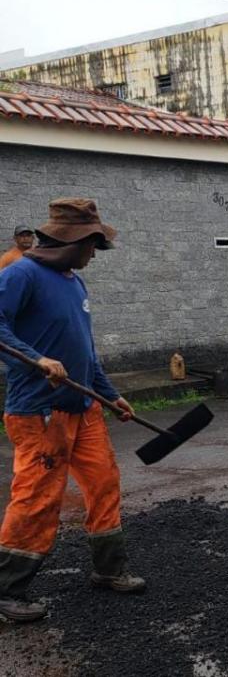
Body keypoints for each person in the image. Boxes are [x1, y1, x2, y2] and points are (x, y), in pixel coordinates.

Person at [0, 198, 145, 623]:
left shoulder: (74, 282)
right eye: (92, 246)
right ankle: (7, 590)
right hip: (39, 412)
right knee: (39, 497)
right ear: (73, 240)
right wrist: (37, 358)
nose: (94, 255)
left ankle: (109, 569)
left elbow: (87, 352)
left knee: (103, 482)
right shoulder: (22, 274)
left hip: (84, 408)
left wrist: (109, 394)